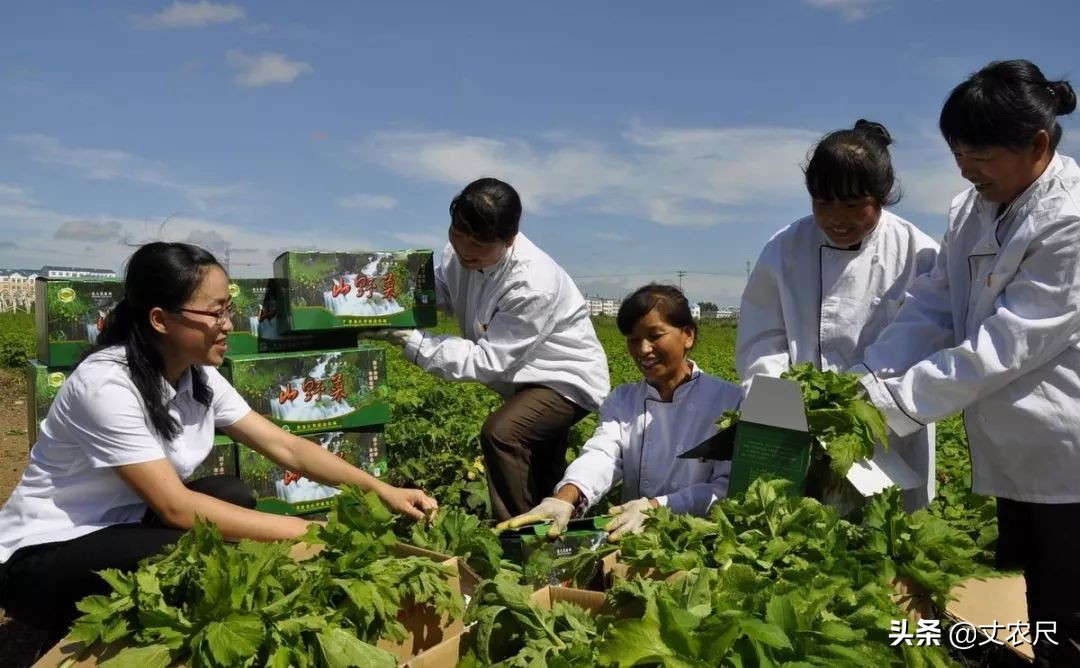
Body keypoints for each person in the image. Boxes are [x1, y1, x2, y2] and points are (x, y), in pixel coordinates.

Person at [0, 242, 437, 641]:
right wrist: (312, 532)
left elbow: (286, 447)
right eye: (216, 313)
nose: (229, 324)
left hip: (122, 524)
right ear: (160, 319)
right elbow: (175, 507)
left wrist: (384, 491)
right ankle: (82, 631)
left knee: (231, 494)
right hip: (42, 555)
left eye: (229, 309)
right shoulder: (106, 385)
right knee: (191, 550)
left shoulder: (198, 375)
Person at [853, 60, 1079, 666]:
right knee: (1043, 597)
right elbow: (933, 306)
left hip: (1068, 450)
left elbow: (1005, 346)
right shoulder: (971, 208)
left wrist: (890, 404)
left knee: (1070, 609)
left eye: (980, 155)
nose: (966, 168)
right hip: (1018, 447)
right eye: (958, 153)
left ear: (1037, 145)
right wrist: (867, 379)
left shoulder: (1070, 220)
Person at [364, 178, 609, 522]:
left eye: (478, 243)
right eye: (457, 233)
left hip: (565, 378)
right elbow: (442, 291)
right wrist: (384, 301)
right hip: (524, 376)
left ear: (509, 239)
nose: (465, 248)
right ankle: (558, 535)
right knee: (541, 465)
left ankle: (517, 533)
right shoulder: (459, 255)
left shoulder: (532, 282)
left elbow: (486, 360)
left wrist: (409, 339)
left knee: (504, 433)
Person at [737, 119, 940, 511]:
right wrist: (782, 403)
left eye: (852, 205)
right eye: (823, 203)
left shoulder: (919, 254)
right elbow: (762, 339)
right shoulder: (785, 248)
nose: (836, 218)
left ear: (882, 197)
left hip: (887, 431)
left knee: (888, 530)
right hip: (798, 427)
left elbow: (923, 343)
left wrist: (860, 402)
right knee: (805, 526)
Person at [496, 284, 742, 541]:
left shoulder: (729, 401)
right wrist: (566, 497)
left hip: (701, 540)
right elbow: (602, 454)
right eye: (633, 339)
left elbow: (725, 486)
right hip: (630, 536)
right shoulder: (624, 399)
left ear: (688, 335)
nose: (643, 349)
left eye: (655, 335)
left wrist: (656, 507)